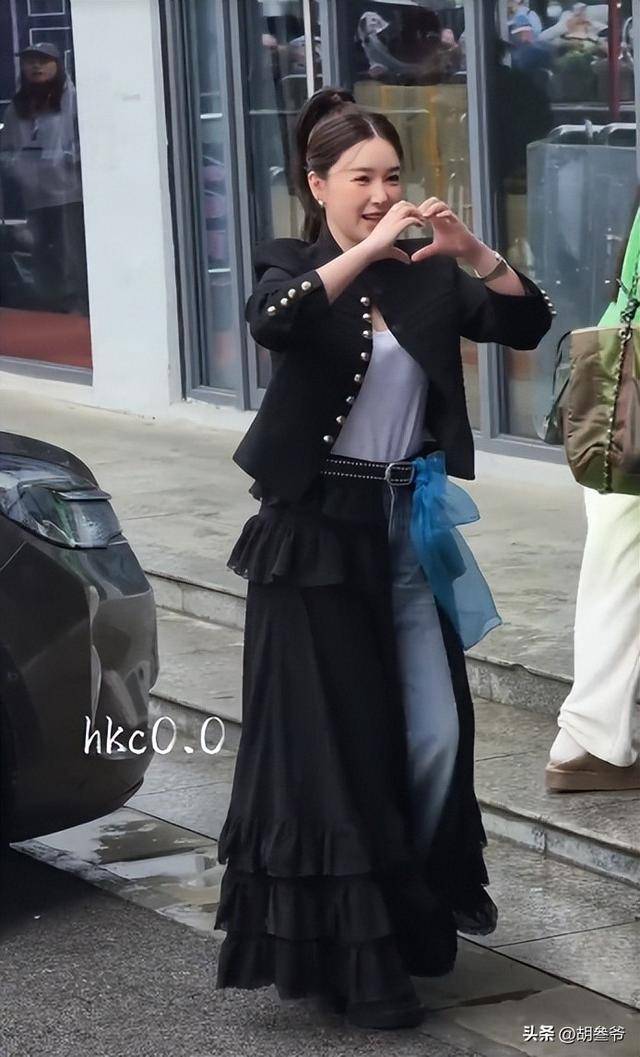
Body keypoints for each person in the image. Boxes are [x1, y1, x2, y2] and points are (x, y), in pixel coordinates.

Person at [214, 87, 553, 1030]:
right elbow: (274, 320)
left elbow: (526, 323)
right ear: (317, 183)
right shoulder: (293, 264)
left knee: (436, 731)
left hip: (408, 526)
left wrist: (471, 250)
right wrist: (365, 252)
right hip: (315, 535)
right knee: (341, 747)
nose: (379, 193)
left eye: (392, 176)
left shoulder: (429, 275)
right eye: (360, 177)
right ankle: (360, 965)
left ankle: (411, 907)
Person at [545, 200, 640, 793]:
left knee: (615, 571)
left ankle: (588, 739)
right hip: (630, 404)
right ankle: (590, 739)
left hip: (616, 398)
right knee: (620, 576)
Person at [0, 42, 88, 315]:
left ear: (57, 64)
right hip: (35, 196)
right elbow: (7, 149)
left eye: (43, 60)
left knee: (72, 254)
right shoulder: (17, 107)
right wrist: (19, 167)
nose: (36, 66)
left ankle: (78, 308)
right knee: (42, 255)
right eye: (30, 61)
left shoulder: (75, 100)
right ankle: (51, 309)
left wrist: (69, 159)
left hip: (70, 193)